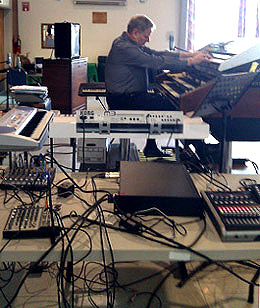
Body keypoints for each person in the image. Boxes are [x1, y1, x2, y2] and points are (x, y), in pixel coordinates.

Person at [105, 15, 212, 157]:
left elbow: (158, 53)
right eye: (146, 36)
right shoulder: (124, 47)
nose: (148, 40)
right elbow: (156, 62)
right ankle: (202, 153)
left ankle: (153, 147)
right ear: (136, 32)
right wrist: (191, 62)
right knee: (175, 105)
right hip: (123, 100)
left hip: (131, 96)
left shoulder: (131, 43)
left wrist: (190, 54)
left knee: (162, 100)